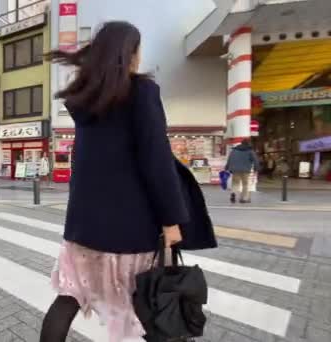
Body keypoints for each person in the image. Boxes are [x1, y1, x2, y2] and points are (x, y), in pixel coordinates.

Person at [39, 21, 212, 342]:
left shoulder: (84, 100)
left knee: (68, 299)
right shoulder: (142, 92)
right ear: (129, 54)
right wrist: (172, 220)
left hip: (83, 230)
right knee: (152, 302)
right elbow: (156, 160)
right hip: (132, 230)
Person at [225, 139, 260, 204]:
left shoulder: (234, 150)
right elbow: (255, 160)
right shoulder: (250, 151)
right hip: (245, 170)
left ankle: (233, 193)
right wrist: (256, 169)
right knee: (245, 184)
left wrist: (227, 167)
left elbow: (229, 159)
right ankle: (243, 198)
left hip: (235, 169)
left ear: (241, 143)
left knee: (235, 183)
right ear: (248, 144)